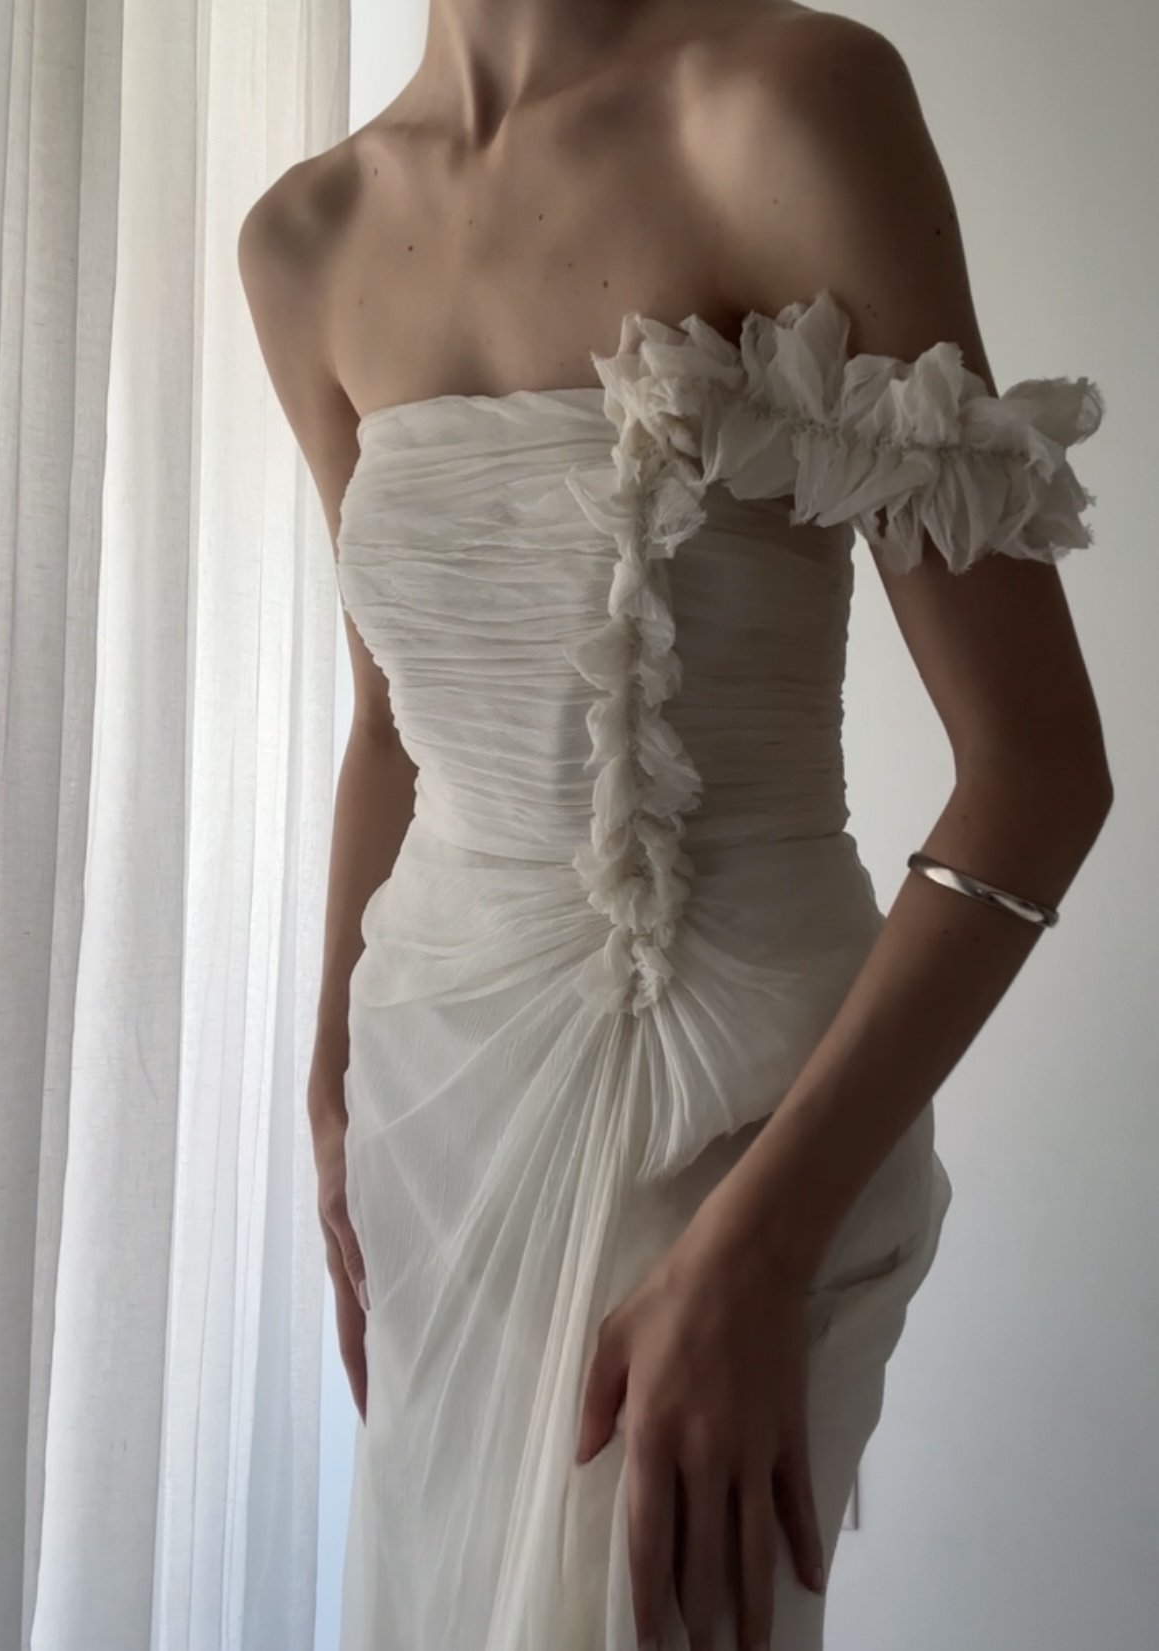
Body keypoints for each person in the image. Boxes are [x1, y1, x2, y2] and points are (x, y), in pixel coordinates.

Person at [237, 1, 1112, 1645]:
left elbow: (1039, 770)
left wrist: (762, 1244)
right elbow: (390, 728)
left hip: (740, 1128)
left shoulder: (787, 104)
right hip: (432, 1105)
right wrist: (328, 1088)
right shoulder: (302, 237)